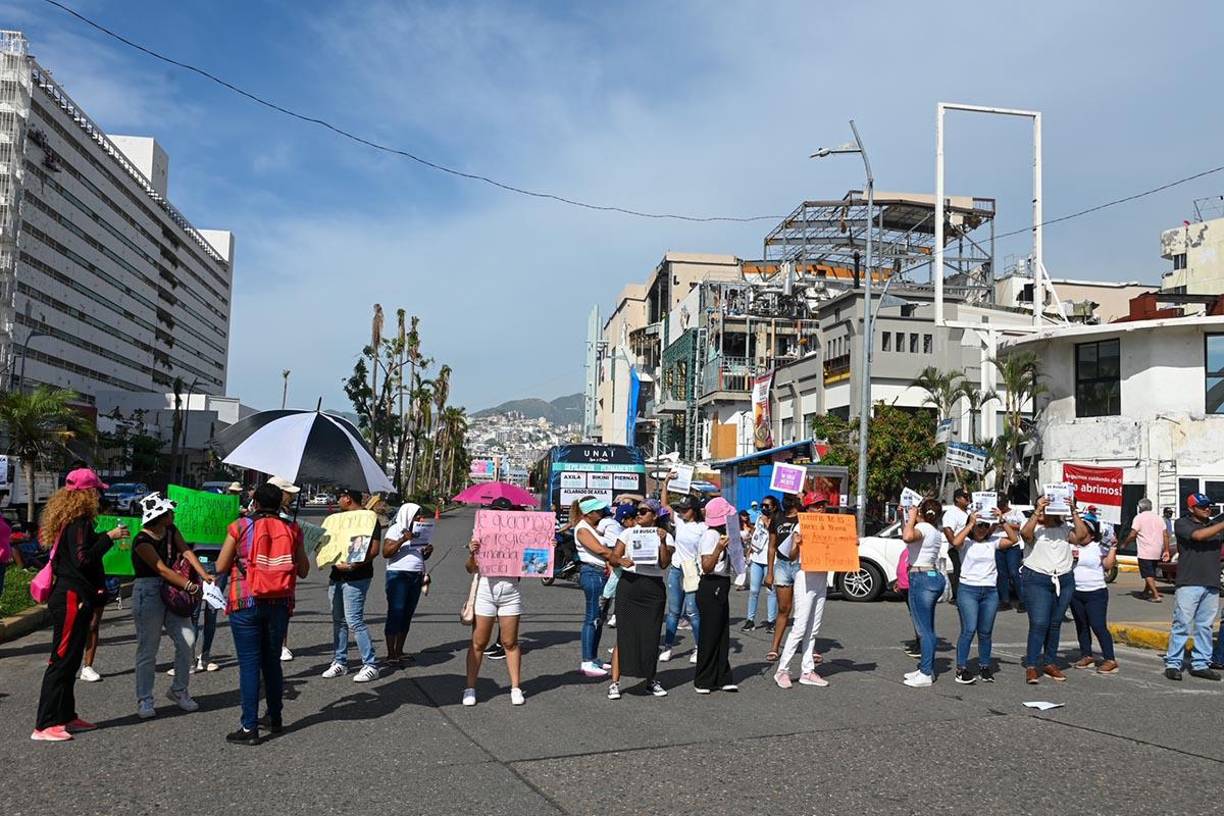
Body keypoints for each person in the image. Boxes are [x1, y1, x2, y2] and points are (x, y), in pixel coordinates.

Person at [32, 469, 127, 741]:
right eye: (96, 490)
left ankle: (66, 716)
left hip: (74, 596)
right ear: (87, 494)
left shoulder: (73, 521)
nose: (99, 495)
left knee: (71, 659)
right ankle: (45, 724)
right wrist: (109, 537)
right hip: (71, 597)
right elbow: (83, 559)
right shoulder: (79, 523)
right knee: (61, 660)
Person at [214, 483, 310, 744]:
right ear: (280, 503)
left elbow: (221, 565)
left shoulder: (241, 526)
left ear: (254, 502)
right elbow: (303, 570)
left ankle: (249, 727)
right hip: (279, 602)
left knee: (249, 665)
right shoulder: (292, 528)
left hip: (245, 600)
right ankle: (275, 717)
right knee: (272, 662)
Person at [132, 492, 210, 719]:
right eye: (168, 511)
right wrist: (190, 586)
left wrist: (203, 574)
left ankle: (179, 689)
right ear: (159, 515)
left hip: (174, 589)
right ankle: (145, 698)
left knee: (187, 639)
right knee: (148, 647)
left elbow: (186, 550)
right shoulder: (141, 541)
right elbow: (161, 569)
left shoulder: (171, 531)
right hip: (149, 591)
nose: (173, 513)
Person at [1019, 496, 1091, 685]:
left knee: (1055, 623)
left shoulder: (1065, 529)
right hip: (1037, 579)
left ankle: (1050, 662)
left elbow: (1082, 536)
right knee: (1039, 623)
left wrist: (1073, 511)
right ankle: (1032, 665)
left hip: (1063, 579)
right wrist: (1038, 510)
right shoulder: (1035, 528)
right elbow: (1025, 535)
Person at [607, 502, 672, 699]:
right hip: (630, 585)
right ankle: (614, 683)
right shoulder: (628, 533)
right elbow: (613, 557)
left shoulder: (665, 535)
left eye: (643, 511)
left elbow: (664, 563)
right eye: (638, 512)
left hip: (653, 587)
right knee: (625, 634)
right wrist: (621, 561)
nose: (638, 514)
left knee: (651, 636)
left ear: (654, 515)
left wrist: (661, 542)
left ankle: (650, 679)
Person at [462, 521, 527, 707]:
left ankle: (516, 687)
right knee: (479, 642)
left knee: (510, 641)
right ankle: (470, 687)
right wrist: (473, 552)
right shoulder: (481, 539)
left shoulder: (518, 538)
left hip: (511, 594)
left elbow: (534, 563)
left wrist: (547, 546)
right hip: (485, 593)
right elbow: (470, 568)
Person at [950, 511, 1018, 684]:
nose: (982, 529)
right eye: (980, 525)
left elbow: (1013, 540)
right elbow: (955, 542)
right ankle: (961, 668)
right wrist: (970, 524)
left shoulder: (992, 542)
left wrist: (1002, 521)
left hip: (989, 591)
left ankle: (985, 666)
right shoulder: (966, 542)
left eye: (985, 525)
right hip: (968, 590)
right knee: (969, 629)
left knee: (986, 632)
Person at [322, 489, 381, 683]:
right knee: (338, 620)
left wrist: (355, 564)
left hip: (357, 577)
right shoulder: (337, 520)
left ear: (348, 498)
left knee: (354, 620)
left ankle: (371, 665)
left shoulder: (369, 519)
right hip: (336, 575)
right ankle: (340, 661)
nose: (338, 499)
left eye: (340, 496)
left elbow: (373, 550)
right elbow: (329, 545)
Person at [1163, 493, 1224, 682]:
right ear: (1191, 509)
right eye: (1202, 506)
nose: (1207, 509)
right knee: (1182, 624)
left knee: (1205, 626)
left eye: (1209, 506)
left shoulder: (1213, 526)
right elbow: (1198, 536)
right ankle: (1173, 663)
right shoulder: (1183, 524)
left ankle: (1201, 663)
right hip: (1189, 583)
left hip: (1211, 583)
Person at [774, 495, 831, 689]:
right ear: (808, 509)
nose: (821, 509)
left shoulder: (829, 526)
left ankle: (807, 670)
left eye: (823, 505)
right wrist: (797, 544)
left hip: (821, 579)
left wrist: (850, 543)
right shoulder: (800, 527)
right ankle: (783, 669)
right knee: (800, 626)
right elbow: (790, 556)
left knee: (813, 628)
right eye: (816, 506)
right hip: (805, 578)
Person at [573, 496, 621, 677]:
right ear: (588, 513)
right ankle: (586, 661)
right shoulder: (582, 529)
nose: (602, 513)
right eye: (598, 511)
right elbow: (600, 550)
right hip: (592, 573)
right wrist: (619, 557)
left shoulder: (595, 527)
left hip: (601, 573)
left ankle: (593, 657)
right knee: (592, 617)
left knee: (599, 618)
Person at [900, 499, 946, 688]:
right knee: (927, 626)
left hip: (921, 577)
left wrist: (911, 518)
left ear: (921, 513)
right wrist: (907, 517)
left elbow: (907, 537)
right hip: (932, 576)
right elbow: (910, 536)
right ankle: (925, 668)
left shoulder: (924, 528)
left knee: (924, 630)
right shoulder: (934, 531)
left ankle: (926, 672)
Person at [382, 501, 431, 665]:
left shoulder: (419, 531)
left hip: (416, 575)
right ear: (408, 515)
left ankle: (400, 651)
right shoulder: (396, 529)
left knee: (407, 614)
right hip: (398, 575)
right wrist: (403, 539)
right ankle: (390, 653)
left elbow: (417, 554)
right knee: (396, 612)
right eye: (417, 514)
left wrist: (427, 553)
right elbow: (386, 552)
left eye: (420, 514)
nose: (420, 517)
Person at [659, 488, 705, 664]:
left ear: (694, 510)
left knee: (693, 611)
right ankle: (668, 647)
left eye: (685, 509)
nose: (681, 512)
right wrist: (667, 482)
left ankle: (698, 647)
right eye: (680, 509)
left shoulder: (702, 527)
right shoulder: (679, 520)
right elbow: (664, 506)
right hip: (677, 568)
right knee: (673, 612)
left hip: (693, 570)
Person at [694, 497, 735, 693]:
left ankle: (722, 675)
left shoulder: (724, 534)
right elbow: (707, 566)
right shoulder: (710, 535)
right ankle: (703, 678)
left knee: (722, 632)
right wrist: (720, 548)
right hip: (711, 584)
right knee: (710, 633)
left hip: (723, 583)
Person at [1069, 517, 1119, 674]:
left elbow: (1108, 565)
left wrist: (1113, 548)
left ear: (1091, 534)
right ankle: (1086, 655)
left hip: (1096, 592)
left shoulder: (1099, 547)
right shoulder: (1071, 546)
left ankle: (1110, 659)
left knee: (1098, 625)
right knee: (1081, 625)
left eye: (1084, 531)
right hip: (1076, 592)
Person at [765, 494, 802, 662]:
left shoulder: (805, 517)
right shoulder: (777, 518)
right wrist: (770, 572)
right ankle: (774, 647)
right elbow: (772, 547)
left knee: (804, 610)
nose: (787, 500)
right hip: (782, 565)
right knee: (783, 609)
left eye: (791, 498)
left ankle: (811, 647)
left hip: (801, 565)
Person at [268, 475, 301, 662]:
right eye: (289, 493)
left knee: (284, 609)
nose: (292, 497)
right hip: (269, 572)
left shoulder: (289, 518)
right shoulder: (253, 517)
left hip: (286, 571)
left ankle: (282, 644)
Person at [1123, 498, 1171, 603]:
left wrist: (1125, 543)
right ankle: (1146, 591)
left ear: (1140, 507)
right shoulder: (1158, 518)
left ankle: (1155, 594)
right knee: (1151, 572)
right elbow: (1165, 535)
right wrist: (1166, 550)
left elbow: (1133, 534)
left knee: (1147, 574)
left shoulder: (1139, 518)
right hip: (1157, 550)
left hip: (1145, 551)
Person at [743, 495, 779, 633]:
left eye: (767, 506)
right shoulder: (759, 518)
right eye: (762, 505)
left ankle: (771, 621)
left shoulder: (776, 520)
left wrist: (768, 524)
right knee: (753, 591)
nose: (764, 508)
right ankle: (750, 620)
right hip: (757, 558)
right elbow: (756, 536)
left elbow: (775, 537)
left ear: (774, 507)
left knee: (770, 591)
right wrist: (750, 550)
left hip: (771, 560)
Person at [994, 495, 1025, 612]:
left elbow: (1022, 526)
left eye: (1002, 504)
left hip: (1013, 545)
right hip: (998, 544)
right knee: (1002, 574)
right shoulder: (994, 513)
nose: (1001, 507)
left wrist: (1005, 523)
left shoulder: (1016, 513)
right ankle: (1005, 600)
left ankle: (1023, 600)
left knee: (1014, 572)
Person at [942, 488, 971, 601]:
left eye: (968, 496)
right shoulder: (951, 513)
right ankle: (958, 596)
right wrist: (956, 545)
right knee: (959, 571)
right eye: (965, 497)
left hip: (969, 548)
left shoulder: (969, 512)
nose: (968, 499)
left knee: (967, 571)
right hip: (957, 548)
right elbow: (948, 530)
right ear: (957, 499)